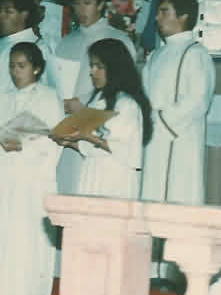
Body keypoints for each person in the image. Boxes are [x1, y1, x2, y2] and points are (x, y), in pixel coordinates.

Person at [0, 42, 63, 295]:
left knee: (27, 242)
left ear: (37, 68)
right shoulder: (4, 98)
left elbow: (54, 140)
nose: (16, 71)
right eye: (12, 65)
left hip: (33, 178)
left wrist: (22, 146)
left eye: (21, 65)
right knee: (3, 240)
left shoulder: (49, 98)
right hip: (7, 177)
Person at [140, 0, 215, 285]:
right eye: (158, 11)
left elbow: (197, 100)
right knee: (153, 201)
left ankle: (177, 276)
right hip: (154, 142)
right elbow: (144, 96)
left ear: (183, 16)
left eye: (164, 12)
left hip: (178, 142)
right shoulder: (156, 56)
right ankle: (152, 272)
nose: (157, 18)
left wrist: (161, 121)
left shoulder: (195, 54)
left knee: (177, 202)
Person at [55, 0, 137, 195]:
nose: (81, 9)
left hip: (102, 132)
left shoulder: (118, 40)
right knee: (67, 193)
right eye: (77, 3)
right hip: (67, 130)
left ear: (101, 4)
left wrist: (81, 105)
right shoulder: (66, 42)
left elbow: (125, 87)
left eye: (87, 2)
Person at [54, 38, 153, 199]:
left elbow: (120, 149)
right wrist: (69, 142)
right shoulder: (98, 99)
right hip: (93, 172)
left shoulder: (127, 105)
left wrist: (85, 136)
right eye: (91, 66)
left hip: (115, 177)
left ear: (115, 68)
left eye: (99, 67)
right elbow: (90, 146)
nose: (92, 72)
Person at [0, 0, 55, 121]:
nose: (0, 15)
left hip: (20, 123)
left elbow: (47, 89)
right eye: (0, 11)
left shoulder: (39, 47)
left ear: (24, 15)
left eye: (8, 11)